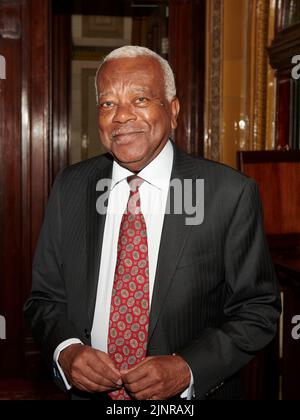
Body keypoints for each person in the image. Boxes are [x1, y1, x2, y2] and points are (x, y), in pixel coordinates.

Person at [24, 46, 281, 401]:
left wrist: (187, 368)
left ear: (173, 111)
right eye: (107, 103)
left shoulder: (228, 193)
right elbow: (44, 298)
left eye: (140, 98)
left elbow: (258, 309)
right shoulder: (70, 186)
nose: (121, 117)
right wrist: (67, 350)